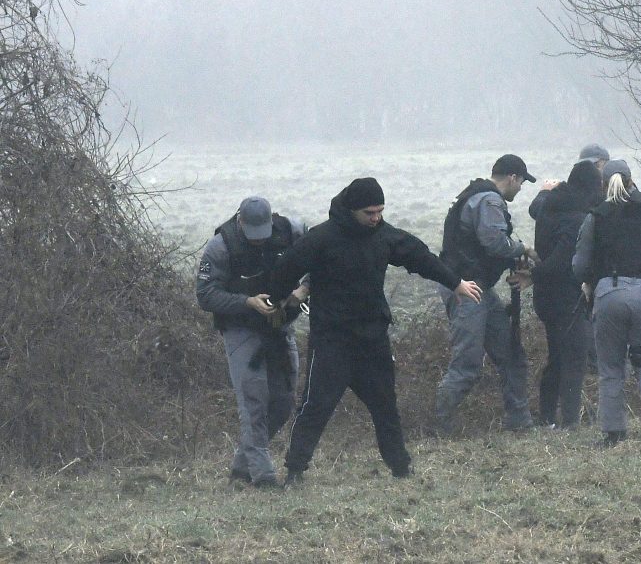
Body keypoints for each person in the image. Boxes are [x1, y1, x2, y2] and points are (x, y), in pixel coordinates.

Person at [265, 177, 481, 485]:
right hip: (331, 340)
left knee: (385, 407)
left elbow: (420, 257)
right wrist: (278, 300)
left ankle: (401, 468)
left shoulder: (384, 236)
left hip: (372, 340)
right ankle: (295, 471)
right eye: (369, 213)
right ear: (352, 209)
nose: (376, 218)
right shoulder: (321, 238)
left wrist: (455, 282)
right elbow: (286, 269)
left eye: (380, 211)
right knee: (316, 407)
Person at [196, 196, 309, 488]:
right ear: (240, 222)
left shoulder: (293, 231)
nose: (259, 240)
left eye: (264, 233)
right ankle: (263, 477)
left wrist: (304, 289)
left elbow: (320, 260)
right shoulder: (221, 246)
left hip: (279, 327)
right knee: (253, 401)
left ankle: (241, 467)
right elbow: (205, 295)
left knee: (284, 402)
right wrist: (247, 302)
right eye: (253, 235)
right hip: (240, 328)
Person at [572, 159, 641, 447]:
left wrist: (591, 280)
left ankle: (614, 434)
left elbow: (579, 267)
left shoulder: (595, 216)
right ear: (632, 181)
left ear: (602, 186)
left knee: (611, 367)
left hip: (609, 295)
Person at [435, 154, 538, 434]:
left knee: (510, 353)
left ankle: (520, 422)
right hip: (468, 289)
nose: (521, 188)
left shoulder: (472, 194)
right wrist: (524, 249)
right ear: (512, 178)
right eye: (522, 182)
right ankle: (440, 426)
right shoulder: (490, 200)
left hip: (475, 286)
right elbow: (494, 242)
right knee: (467, 363)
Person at [531, 160, 604, 429]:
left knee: (557, 358)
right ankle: (570, 422)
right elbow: (563, 261)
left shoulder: (549, 206)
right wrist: (535, 274)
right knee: (575, 359)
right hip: (567, 298)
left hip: (545, 297)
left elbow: (536, 207)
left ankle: (547, 418)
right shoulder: (576, 217)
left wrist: (535, 276)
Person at [529, 143, 610, 220]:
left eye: (597, 166)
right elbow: (538, 211)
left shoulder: (611, 195)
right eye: (585, 165)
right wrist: (546, 192)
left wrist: (545, 192)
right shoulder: (568, 194)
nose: (591, 169)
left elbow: (539, 211)